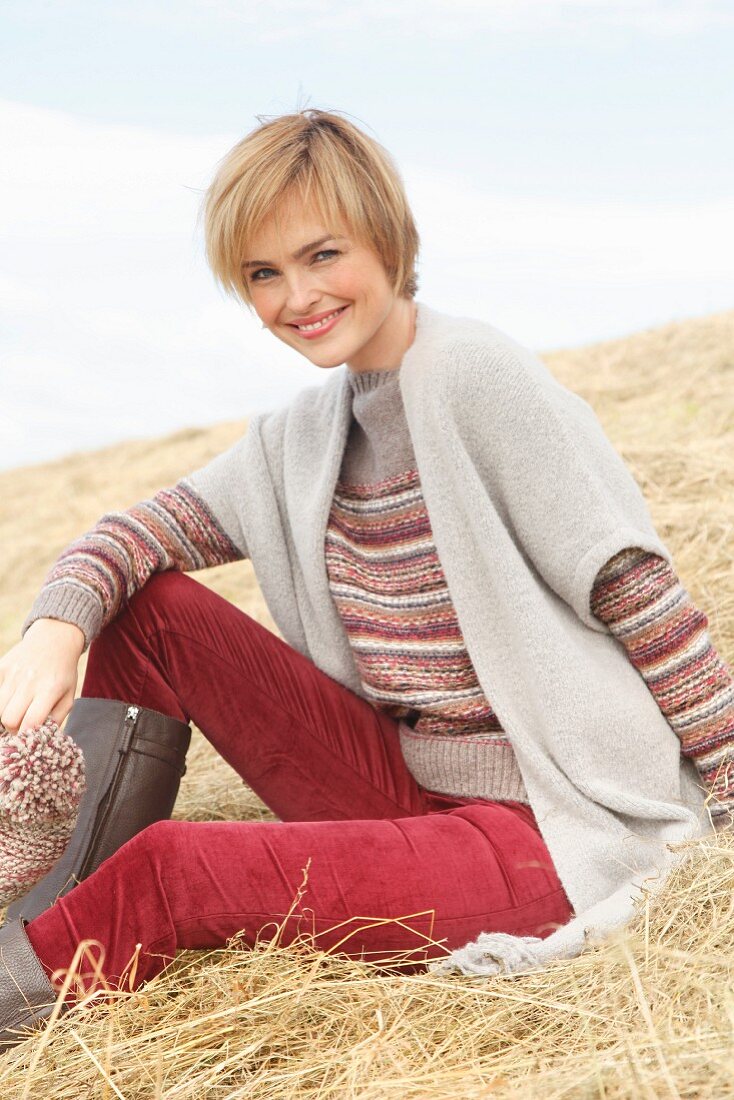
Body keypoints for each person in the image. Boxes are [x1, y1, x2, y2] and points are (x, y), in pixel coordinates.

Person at [0, 108, 732, 1046]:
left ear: (386, 239)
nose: (297, 296)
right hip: (401, 781)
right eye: (263, 274)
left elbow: (644, 602)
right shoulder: (308, 434)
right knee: (148, 612)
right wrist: (55, 628)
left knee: (174, 870)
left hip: (548, 827)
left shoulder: (478, 378)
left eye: (322, 255)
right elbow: (135, 533)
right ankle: (44, 913)